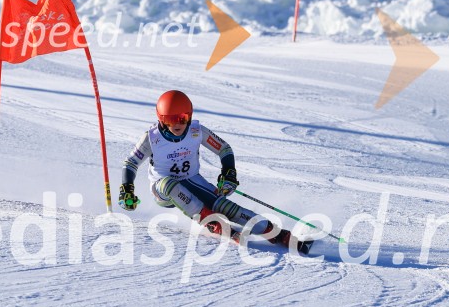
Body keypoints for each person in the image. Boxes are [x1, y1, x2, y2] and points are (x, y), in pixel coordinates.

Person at [120, 90, 310, 252]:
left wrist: (229, 172)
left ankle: (278, 235)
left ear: (189, 116)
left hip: (191, 180)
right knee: (169, 184)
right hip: (162, 190)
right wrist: (127, 188)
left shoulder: (196, 131)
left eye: (182, 118)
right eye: (170, 119)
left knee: (227, 208)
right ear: (161, 119)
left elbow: (224, 149)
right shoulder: (151, 138)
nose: (177, 124)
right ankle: (212, 222)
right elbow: (131, 163)